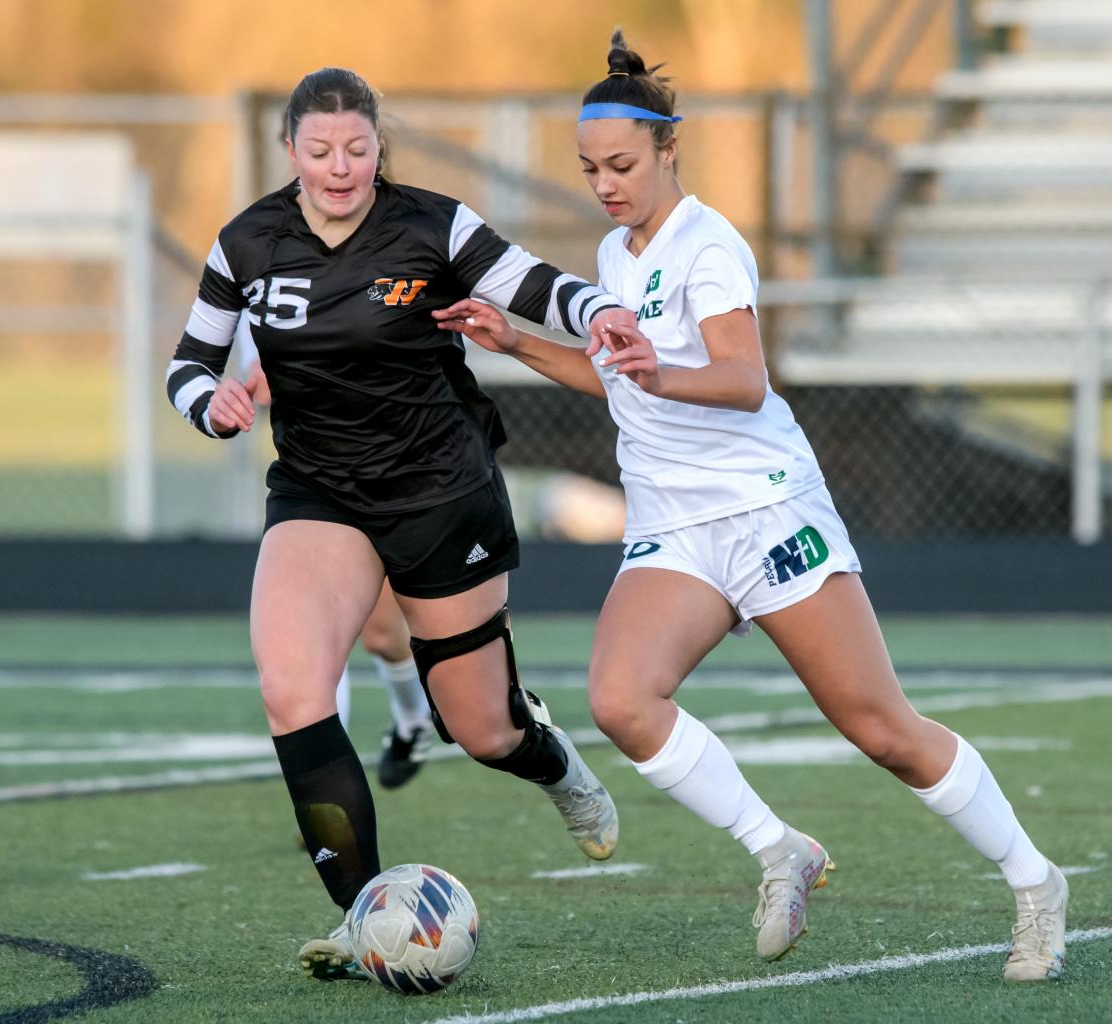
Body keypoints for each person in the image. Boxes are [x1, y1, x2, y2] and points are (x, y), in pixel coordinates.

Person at [433, 31, 1068, 983]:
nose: (604, 184)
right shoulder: (613, 250)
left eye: (620, 165)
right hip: (673, 527)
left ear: (665, 149)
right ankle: (781, 850)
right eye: (589, 169)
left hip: (766, 511)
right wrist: (514, 341)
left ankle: (1035, 884)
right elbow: (623, 385)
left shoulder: (709, 245)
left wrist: (658, 369)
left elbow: (739, 381)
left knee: (881, 730)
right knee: (622, 701)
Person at [165, 66, 630, 980]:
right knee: (292, 693)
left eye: (358, 148)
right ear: (290, 151)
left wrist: (600, 308)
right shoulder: (246, 241)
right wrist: (208, 403)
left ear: (379, 147)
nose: (340, 167)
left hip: (437, 490)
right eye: (320, 149)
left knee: (482, 731)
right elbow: (189, 361)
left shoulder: (431, 223)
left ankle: (555, 764)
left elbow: (535, 282)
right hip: (319, 492)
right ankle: (364, 914)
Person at [238, 326, 433, 789]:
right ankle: (327, 785)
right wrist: (222, 392)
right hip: (312, 479)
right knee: (312, 638)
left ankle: (413, 721)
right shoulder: (252, 265)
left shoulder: (379, 260)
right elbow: (212, 362)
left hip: (394, 462)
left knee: (385, 636)